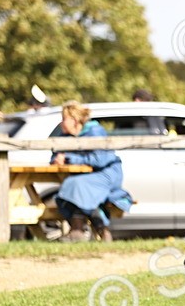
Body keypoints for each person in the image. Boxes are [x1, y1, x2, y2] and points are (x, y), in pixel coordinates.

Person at [51, 101, 133, 242]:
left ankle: (78, 231)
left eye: (64, 119)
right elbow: (56, 153)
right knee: (71, 187)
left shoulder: (95, 131)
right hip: (86, 176)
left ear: (75, 120)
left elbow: (99, 159)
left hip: (107, 173)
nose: (61, 123)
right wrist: (57, 159)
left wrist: (69, 158)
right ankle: (99, 229)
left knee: (75, 185)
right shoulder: (65, 136)